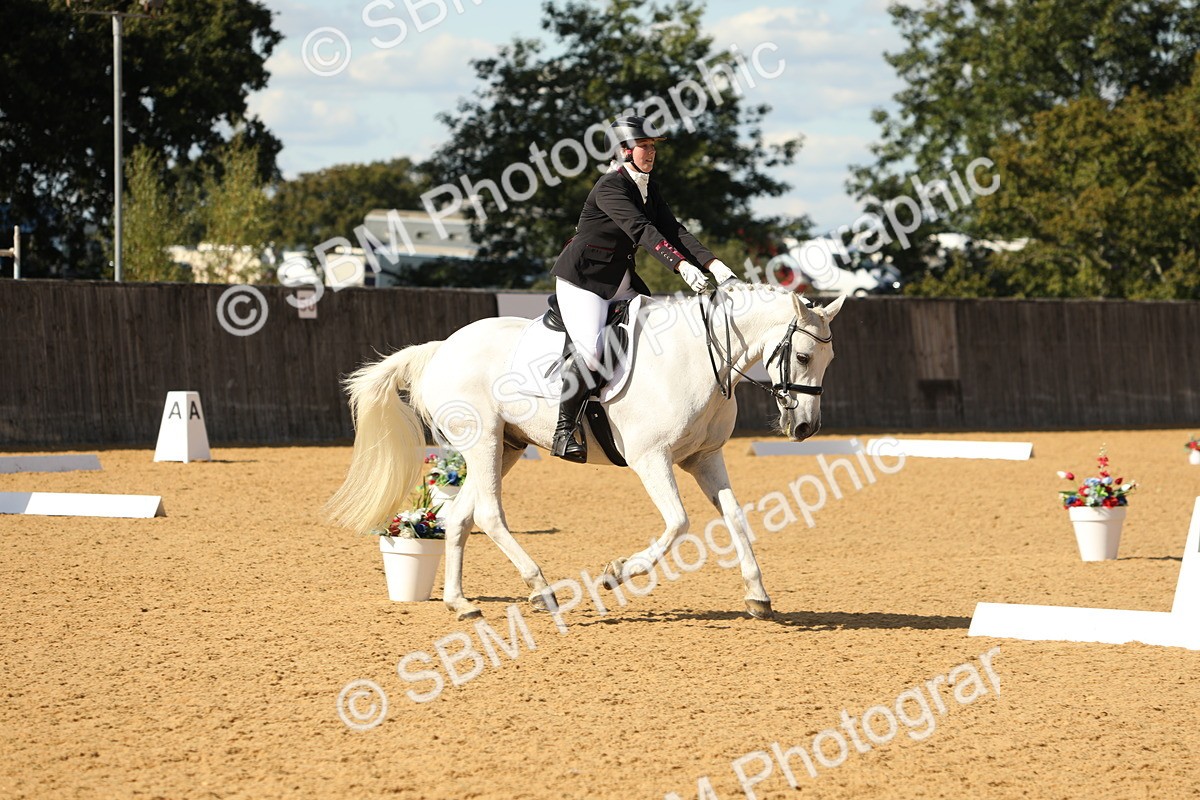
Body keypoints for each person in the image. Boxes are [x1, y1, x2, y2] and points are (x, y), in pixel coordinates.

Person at [548, 115, 736, 462]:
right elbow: (642, 230)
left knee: (656, 335)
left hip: (619, 279)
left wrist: (713, 264)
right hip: (584, 281)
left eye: (652, 147)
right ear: (623, 150)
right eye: (643, 146)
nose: (650, 152)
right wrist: (681, 267)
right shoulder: (609, 187)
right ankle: (564, 430)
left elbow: (674, 230)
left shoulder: (647, 187)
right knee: (591, 351)